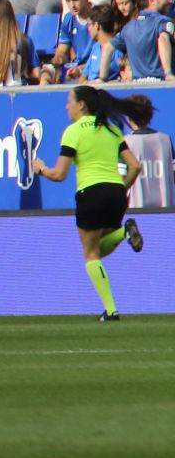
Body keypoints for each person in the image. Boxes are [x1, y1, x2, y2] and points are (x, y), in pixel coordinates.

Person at [30, 86, 152, 321]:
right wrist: (120, 188)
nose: (67, 106)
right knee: (99, 248)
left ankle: (111, 310)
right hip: (116, 192)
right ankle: (124, 232)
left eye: (69, 101)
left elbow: (59, 174)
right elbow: (135, 166)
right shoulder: (112, 129)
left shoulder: (73, 132)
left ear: (82, 104)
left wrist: (41, 169)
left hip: (90, 192)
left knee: (91, 255)